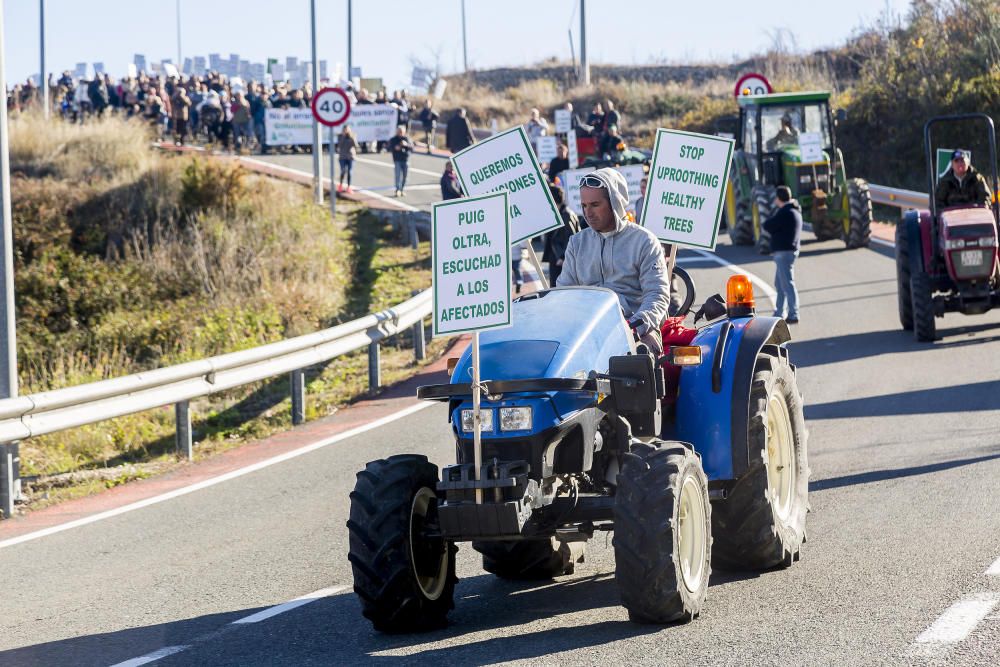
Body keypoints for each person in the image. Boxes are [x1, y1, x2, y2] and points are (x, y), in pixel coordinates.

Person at [557, 168, 671, 355]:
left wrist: (637, 328)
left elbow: (657, 296)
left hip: (635, 330)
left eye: (594, 204)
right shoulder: (576, 243)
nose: (588, 213)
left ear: (615, 203)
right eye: (584, 205)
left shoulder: (644, 241)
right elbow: (563, 295)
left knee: (643, 356)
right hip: (585, 333)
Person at [762, 185, 802, 324]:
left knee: (787, 284)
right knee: (780, 284)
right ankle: (779, 311)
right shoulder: (794, 211)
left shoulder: (785, 212)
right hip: (788, 252)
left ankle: (793, 313)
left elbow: (768, 225)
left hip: (784, 253)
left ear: (779, 198)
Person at [544, 185, 580, 285]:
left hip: (560, 259)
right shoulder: (559, 213)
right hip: (556, 256)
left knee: (559, 289)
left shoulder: (566, 215)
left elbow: (572, 238)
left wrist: (563, 257)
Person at [388, 126, 414, 197]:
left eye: (401, 132)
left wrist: (406, 145)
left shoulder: (407, 139)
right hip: (397, 160)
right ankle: (397, 190)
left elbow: (412, 148)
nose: (400, 133)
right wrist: (395, 147)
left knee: (406, 176)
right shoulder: (393, 139)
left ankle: (402, 189)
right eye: (399, 131)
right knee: (398, 176)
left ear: (404, 132)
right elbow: (389, 147)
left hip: (406, 159)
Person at [337, 125, 360, 192]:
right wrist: (344, 136)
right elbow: (340, 145)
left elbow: (356, 146)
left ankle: (349, 187)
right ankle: (340, 185)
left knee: (350, 172)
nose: (346, 131)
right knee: (343, 171)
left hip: (351, 157)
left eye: (347, 129)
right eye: (345, 129)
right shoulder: (340, 136)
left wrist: (353, 138)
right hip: (342, 157)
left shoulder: (352, 136)